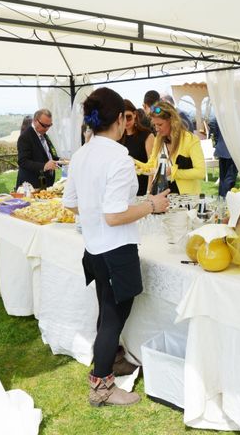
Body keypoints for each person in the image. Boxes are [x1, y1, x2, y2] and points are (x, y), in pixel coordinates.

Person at [62, 87, 170, 407]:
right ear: (121, 120)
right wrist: (152, 205)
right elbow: (114, 216)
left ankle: (111, 360)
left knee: (107, 312)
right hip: (115, 248)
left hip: (94, 248)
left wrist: (96, 211)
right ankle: (102, 387)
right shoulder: (119, 159)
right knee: (113, 317)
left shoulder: (82, 154)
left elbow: (71, 204)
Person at [136, 101, 205, 195]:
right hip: (161, 194)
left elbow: (200, 172)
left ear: (172, 121)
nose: (156, 129)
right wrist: (134, 164)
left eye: (160, 124)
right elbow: (151, 166)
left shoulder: (190, 140)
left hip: (186, 198)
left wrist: (172, 171)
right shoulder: (158, 139)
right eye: (155, 125)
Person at [16, 108, 59, 189]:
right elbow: (23, 161)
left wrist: (61, 161)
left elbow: (48, 155)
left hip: (45, 184)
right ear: (35, 121)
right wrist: (44, 166)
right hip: (31, 186)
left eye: (49, 125)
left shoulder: (43, 133)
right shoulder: (25, 137)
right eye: (44, 125)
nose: (47, 129)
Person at [120, 99, 155, 195]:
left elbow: (152, 166)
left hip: (143, 187)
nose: (126, 121)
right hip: (124, 188)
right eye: (123, 118)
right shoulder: (118, 137)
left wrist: (148, 191)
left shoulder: (147, 135)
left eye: (129, 117)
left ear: (135, 114)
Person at [208, 114, 237, 197]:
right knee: (229, 178)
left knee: (223, 178)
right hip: (232, 150)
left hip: (222, 149)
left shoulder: (222, 114)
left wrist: (217, 140)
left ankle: (221, 198)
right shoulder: (234, 115)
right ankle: (225, 198)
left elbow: (212, 122)